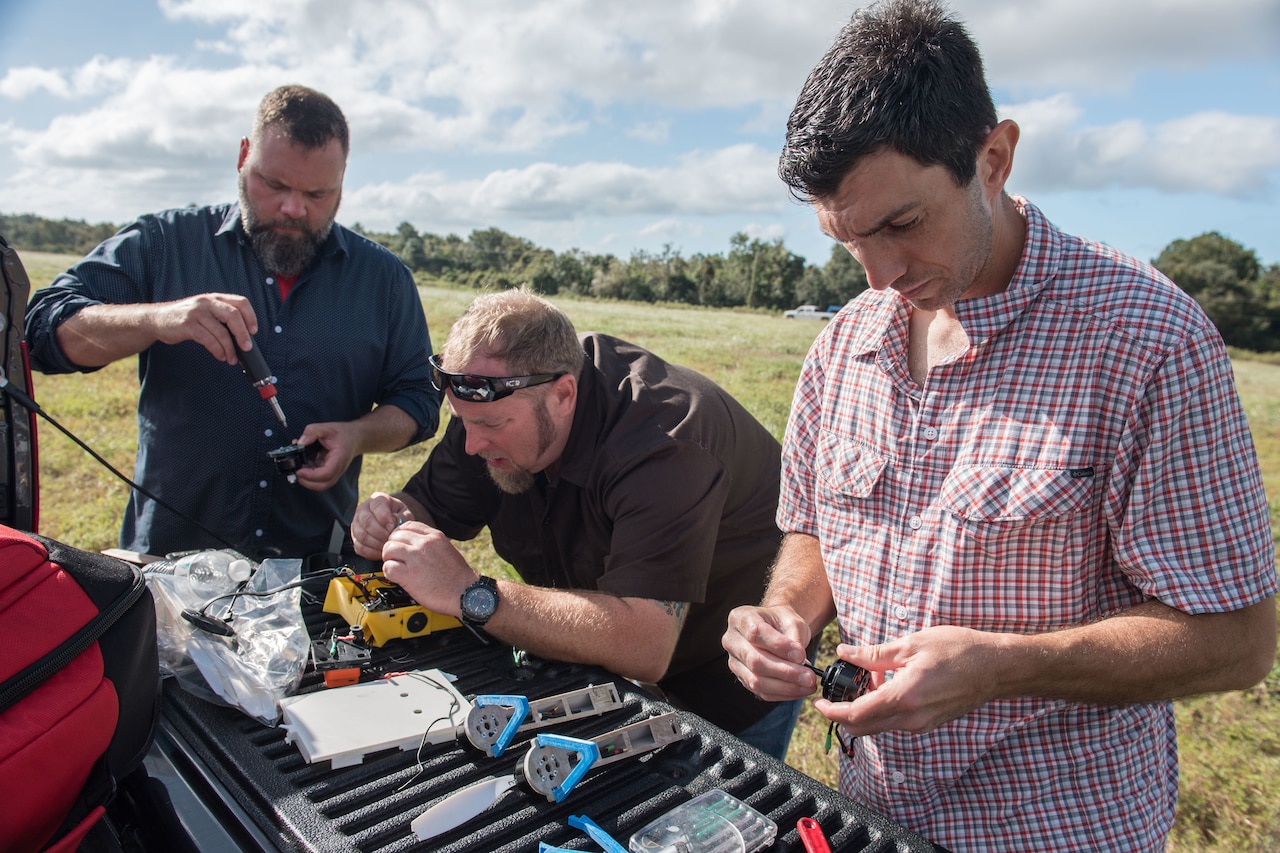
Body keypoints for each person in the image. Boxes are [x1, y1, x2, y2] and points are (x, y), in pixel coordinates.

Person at [720, 1, 1277, 850]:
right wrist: (786, 616)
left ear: (993, 158)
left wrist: (1005, 667)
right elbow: (818, 531)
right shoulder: (845, 345)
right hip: (868, 810)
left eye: (903, 225)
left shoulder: (1148, 340)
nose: (880, 276)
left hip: (1057, 830)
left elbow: (1239, 641)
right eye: (848, 242)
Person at [351, 287, 798, 757]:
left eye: (493, 426)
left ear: (564, 395)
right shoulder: (494, 406)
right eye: (464, 422)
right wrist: (389, 517)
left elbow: (644, 644)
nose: (471, 445)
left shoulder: (667, 441)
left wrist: (471, 593)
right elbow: (423, 504)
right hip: (601, 669)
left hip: (728, 670)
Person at [25, 85, 439, 560]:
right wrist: (158, 318)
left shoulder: (383, 280)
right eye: (275, 185)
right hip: (168, 561)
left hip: (310, 568)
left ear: (343, 179)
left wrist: (356, 435)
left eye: (317, 194)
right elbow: (42, 332)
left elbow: (419, 400)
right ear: (244, 156)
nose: (293, 209)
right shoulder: (165, 243)